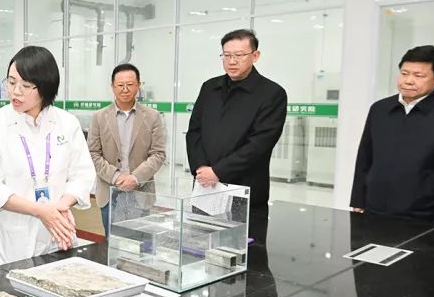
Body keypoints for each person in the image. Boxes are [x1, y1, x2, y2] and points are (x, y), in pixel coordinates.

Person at [0, 45, 96, 266]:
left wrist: (60, 207)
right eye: (11, 82)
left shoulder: (67, 123)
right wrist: (41, 211)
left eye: (26, 85)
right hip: (10, 245)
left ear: (45, 87)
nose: (15, 91)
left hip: (58, 238)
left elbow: (83, 175)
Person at [350, 45, 434, 227]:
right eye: (404, 73)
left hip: (422, 217)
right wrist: (358, 200)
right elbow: (365, 157)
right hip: (374, 209)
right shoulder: (379, 109)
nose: (408, 81)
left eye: (419, 76)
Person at [186, 28, 287, 235]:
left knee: (244, 247)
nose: (232, 61)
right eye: (227, 55)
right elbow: (194, 131)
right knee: (201, 241)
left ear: (255, 56)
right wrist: (201, 167)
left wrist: (218, 171)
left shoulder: (271, 93)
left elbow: (260, 144)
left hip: (244, 189)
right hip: (205, 186)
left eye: (239, 55)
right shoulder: (209, 88)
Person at [87, 62, 166, 235]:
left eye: (130, 84)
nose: (125, 89)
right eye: (120, 85)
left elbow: (158, 154)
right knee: (111, 242)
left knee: (140, 241)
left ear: (138, 85)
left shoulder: (152, 116)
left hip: (140, 191)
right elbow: (93, 153)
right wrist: (116, 176)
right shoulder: (99, 117)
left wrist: (135, 177)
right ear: (112, 87)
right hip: (109, 192)